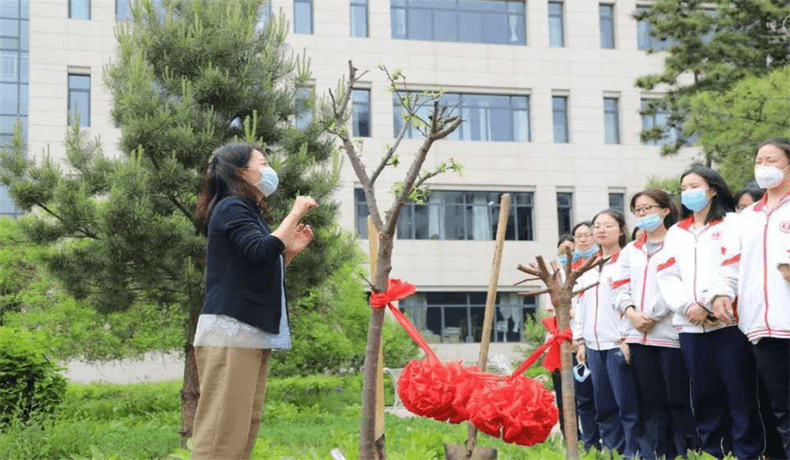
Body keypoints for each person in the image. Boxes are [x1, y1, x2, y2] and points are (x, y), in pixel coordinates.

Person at [191, 143, 318, 460]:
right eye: (262, 163)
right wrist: (295, 212)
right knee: (221, 434)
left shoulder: (245, 211)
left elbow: (255, 265)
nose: (268, 169)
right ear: (241, 172)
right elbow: (261, 250)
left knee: (241, 431)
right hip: (230, 331)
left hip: (248, 333)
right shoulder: (231, 207)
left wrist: (288, 254)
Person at [656, 165, 764, 460]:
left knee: (739, 392)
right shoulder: (677, 232)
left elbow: (734, 265)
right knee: (704, 394)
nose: (688, 192)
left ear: (713, 189)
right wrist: (688, 306)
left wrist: (707, 302)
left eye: (695, 185)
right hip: (690, 327)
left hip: (727, 324)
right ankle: (714, 451)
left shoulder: (732, 223)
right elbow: (666, 275)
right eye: (684, 188)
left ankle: (746, 452)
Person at [711, 139, 790, 459]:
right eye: (759, 160)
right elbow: (730, 264)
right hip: (762, 326)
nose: (764, 166)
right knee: (780, 407)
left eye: (771, 159)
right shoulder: (745, 219)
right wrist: (721, 294)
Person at [612, 189, 698, 459]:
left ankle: (683, 452)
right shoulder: (630, 251)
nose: (643, 214)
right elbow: (619, 287)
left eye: (649, 208)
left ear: (665, 210)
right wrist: (632, 313)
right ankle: (656, 453)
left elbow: (678, 281)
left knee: (676, 399)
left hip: (670, 334)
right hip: (638, 336)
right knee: (649, 402)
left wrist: (654, 314)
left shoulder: (679, 242)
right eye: (638, 210)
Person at [575, 210, 645, 458]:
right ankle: (613, 451)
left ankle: (633, 452)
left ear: (622, 230)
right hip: (593, 346)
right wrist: (580, 340)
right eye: (596, 226)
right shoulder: (589, 266)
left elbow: (633, 301)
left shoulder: (628, 260)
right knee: (603, 405)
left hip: (618, 342)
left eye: (607, 225)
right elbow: (580, 306)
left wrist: (626, 338)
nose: (600, 230)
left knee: (626, 404)